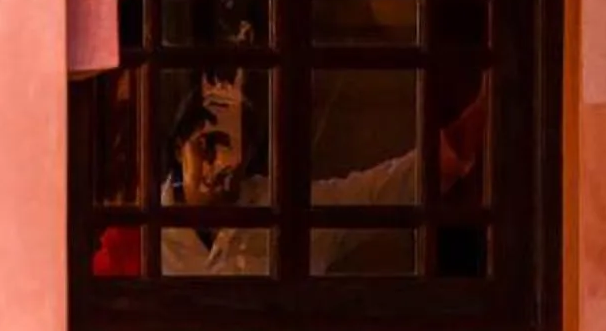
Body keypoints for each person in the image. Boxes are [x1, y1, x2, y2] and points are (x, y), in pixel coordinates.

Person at [96, 72, 489, 278]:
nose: (218, 163)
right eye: (205, 144)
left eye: (231, 146)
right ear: (179, 144)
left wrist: (477, 124)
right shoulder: (133, 239)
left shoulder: (288, 212)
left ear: (250, 153)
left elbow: (384, 189)